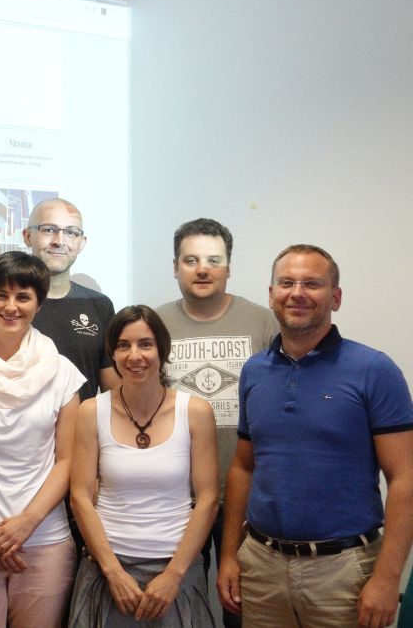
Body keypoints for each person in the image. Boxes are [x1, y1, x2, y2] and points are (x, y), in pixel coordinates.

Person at [217, 245, 413, 628]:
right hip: (261, 566)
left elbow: (405, 478)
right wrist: (228, 556)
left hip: (343, 572)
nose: (297, 293)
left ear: (335, 297)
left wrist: (387, 578)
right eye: (286, 283)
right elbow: (242, 467)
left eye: (312, 284)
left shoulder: (374, 370)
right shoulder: (254, 371)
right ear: (271, 294)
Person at [0, 252, 84, 628]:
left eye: (23, 297)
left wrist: (26, 523)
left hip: (45, 538)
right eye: (0, 295)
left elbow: (66, 461)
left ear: (38, 304)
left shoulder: (62, 373)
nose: (11, 307)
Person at [153, 218, 276, 628]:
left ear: (229, 267)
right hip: (175, 498)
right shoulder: (154, 324)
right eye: (191, 260)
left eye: (213, 260)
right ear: (175, 267)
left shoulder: (263, 323)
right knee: (175, 609)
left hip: (247, 498)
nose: (202, 269)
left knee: (241, 610)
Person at [69, 305, 218, 626]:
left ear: (162, 350)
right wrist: (112, 572)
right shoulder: (91, 411)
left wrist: (173, 575)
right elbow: (79, 496)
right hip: (108, 569)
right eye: (123, 345)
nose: (134, 355)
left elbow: (208, 499)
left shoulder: (196, 412)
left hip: (176, 570)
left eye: (145, 344)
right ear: (112, 354)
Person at [0, 197, 118, 402]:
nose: (59, 241)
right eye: (48, 229)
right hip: (7, 419)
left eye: (71, 232)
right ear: (27, 236)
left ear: (81, 243)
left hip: (80, 422)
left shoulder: (100, 305)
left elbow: (113, 393)